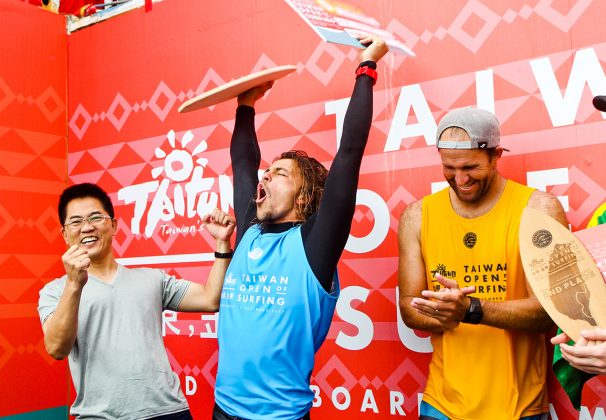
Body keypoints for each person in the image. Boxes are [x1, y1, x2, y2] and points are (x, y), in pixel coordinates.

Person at [212, 35, 388, 420]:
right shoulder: (249, 232)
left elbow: (349, 153)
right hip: (221, 410)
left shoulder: (314, 248)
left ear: (305, 198)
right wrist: (246, 104)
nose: (264, 177)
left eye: (279, 175)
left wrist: (366, 67)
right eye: (268, 171)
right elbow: (244, 162)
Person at [398, 107, 568, 420]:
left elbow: (548, 314)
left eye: (470, 167)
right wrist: (442, 314)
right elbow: (408, 306)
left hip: (519, 407)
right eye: (449, 167)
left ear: (496, 155)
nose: (459, 179)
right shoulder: (417, 216)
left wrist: (471, 309)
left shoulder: (539, 209)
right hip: (442, 405)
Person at [37, 182, 236, 420]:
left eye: (95, 217)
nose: (87, 227)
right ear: (65, 234)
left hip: (170, 412)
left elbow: (210, 299)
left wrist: (222, 243)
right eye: (76, 221)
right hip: (101, 416)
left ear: (113, 226)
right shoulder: (55, 290)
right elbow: (57, 348)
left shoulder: (151, 278)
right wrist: (74, 284)